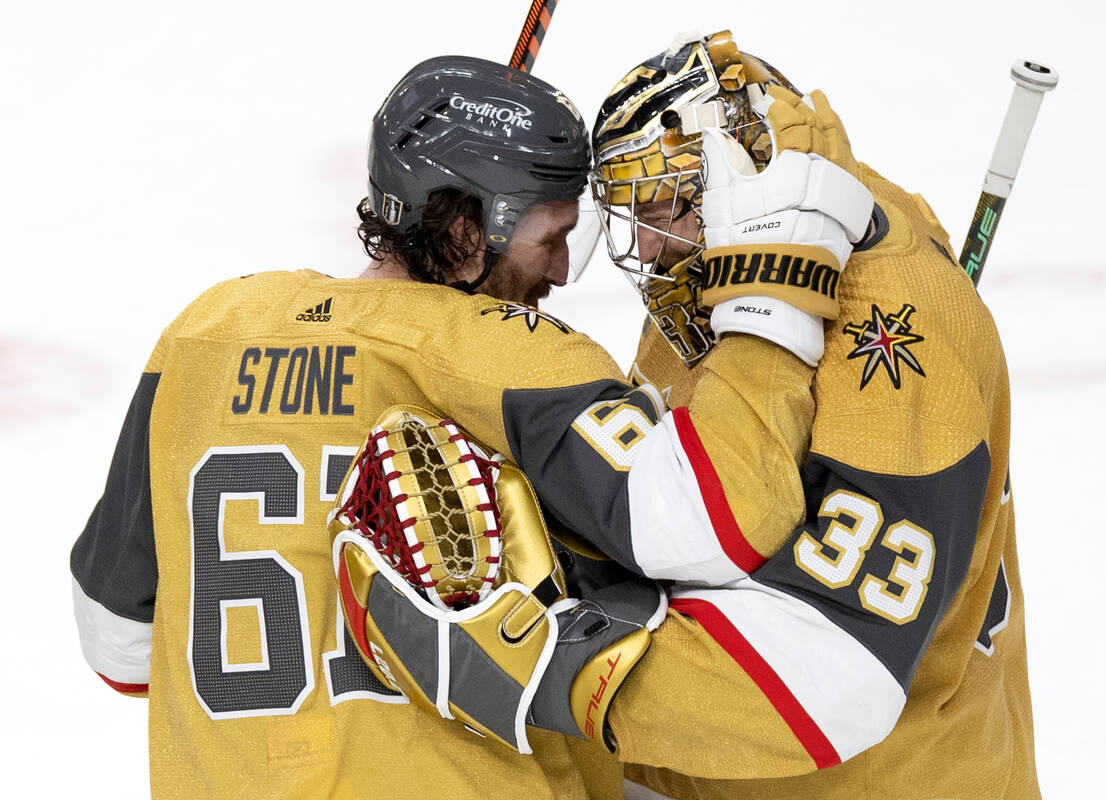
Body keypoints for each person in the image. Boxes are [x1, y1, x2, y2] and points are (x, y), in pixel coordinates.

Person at [70, 51, 873, 796]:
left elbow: (119, 645)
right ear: (461, 230)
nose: (561, 272)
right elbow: (720, 520)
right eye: (551, 239)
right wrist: (775, 296)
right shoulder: (509, 358)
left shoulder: (209, 331)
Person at [587, 30, 1040, 799]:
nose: (648, 248)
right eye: (634, 214)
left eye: (665, 208)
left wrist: (565, 677)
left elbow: (836, 666)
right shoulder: (718, 279)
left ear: (745, 167)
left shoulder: (906, 332)